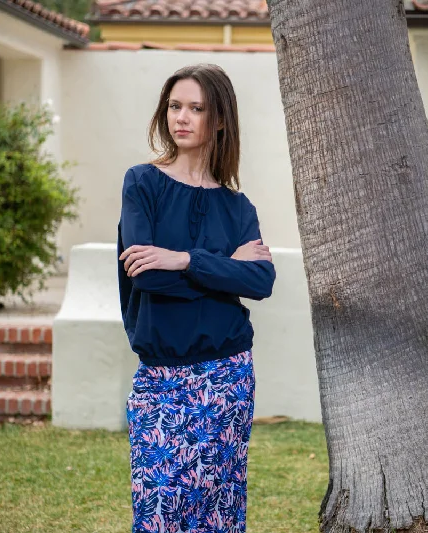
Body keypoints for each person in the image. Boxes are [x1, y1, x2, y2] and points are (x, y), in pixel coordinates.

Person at [117, 63, 276, 533]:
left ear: (220, 119)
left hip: (228, 377)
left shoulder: (237, 206)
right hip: (162, 379)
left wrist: (184, 260)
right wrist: (227, 268)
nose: (181, 118)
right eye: (174, 106)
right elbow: (148, 278)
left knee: (218, 516)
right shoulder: (142, 183)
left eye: (196, 108)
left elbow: (262, 282)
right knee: (159, 513)